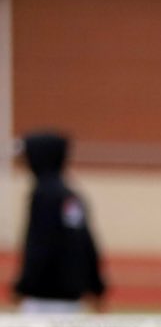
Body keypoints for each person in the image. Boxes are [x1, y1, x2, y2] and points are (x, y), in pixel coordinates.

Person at [12, 131, 105, 315]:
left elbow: (41, 245)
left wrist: (24, 284)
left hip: (43, 297)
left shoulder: (43, 195)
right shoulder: (69, 195)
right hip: (70, 297)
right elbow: (86, 242)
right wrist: (96, 286)